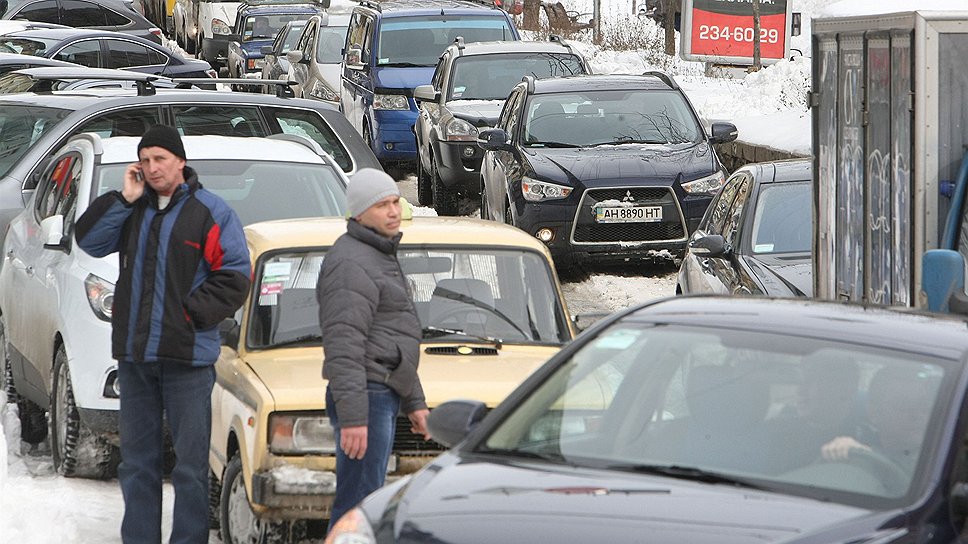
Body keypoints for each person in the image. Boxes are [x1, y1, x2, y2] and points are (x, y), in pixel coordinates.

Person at [75, 125, 251, 544]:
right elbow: (89, 241)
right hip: (136, 360)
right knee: (137, 464)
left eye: (161, 159)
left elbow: (234, 277)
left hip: (188, 361)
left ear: (180, 162)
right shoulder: (132, 209)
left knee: (190, 466)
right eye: (146, 160)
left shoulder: (211, 212)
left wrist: (190, 315)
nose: (152, 168)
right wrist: (123, 197)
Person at [316, 168, 430, 531]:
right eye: (382, 205)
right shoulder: (351, 262)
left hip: (380, 390)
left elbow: (393, 336)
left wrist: (413, 401)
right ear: (359, 213)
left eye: (396, 201)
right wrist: (353, 418)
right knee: (357, 506)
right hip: (365, 394)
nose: (394, 211)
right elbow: (344, 344)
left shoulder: (377, 253)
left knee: (365, 500)